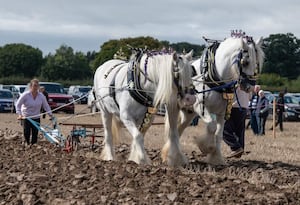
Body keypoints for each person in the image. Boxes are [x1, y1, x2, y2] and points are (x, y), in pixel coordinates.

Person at [16, 79, 53, 147]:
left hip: (36, 117)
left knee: (35, 133)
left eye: (37, 86)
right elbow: (18, 105)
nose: (36, 88)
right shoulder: (25, 95)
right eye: (34, 86)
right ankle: (27, 144)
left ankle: (33, 146)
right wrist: (19, 114)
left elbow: (46, 106)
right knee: (27, 132)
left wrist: (50, 115)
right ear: (31, 86)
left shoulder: (41, 96)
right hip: (26, 117)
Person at [223, 86, 250, 158]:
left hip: (234, 107)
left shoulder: (234, 80)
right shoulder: (247, 82)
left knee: (223, 129)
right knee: (239, 130)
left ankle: (236, 147)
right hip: (244, 107)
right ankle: (240, 150)